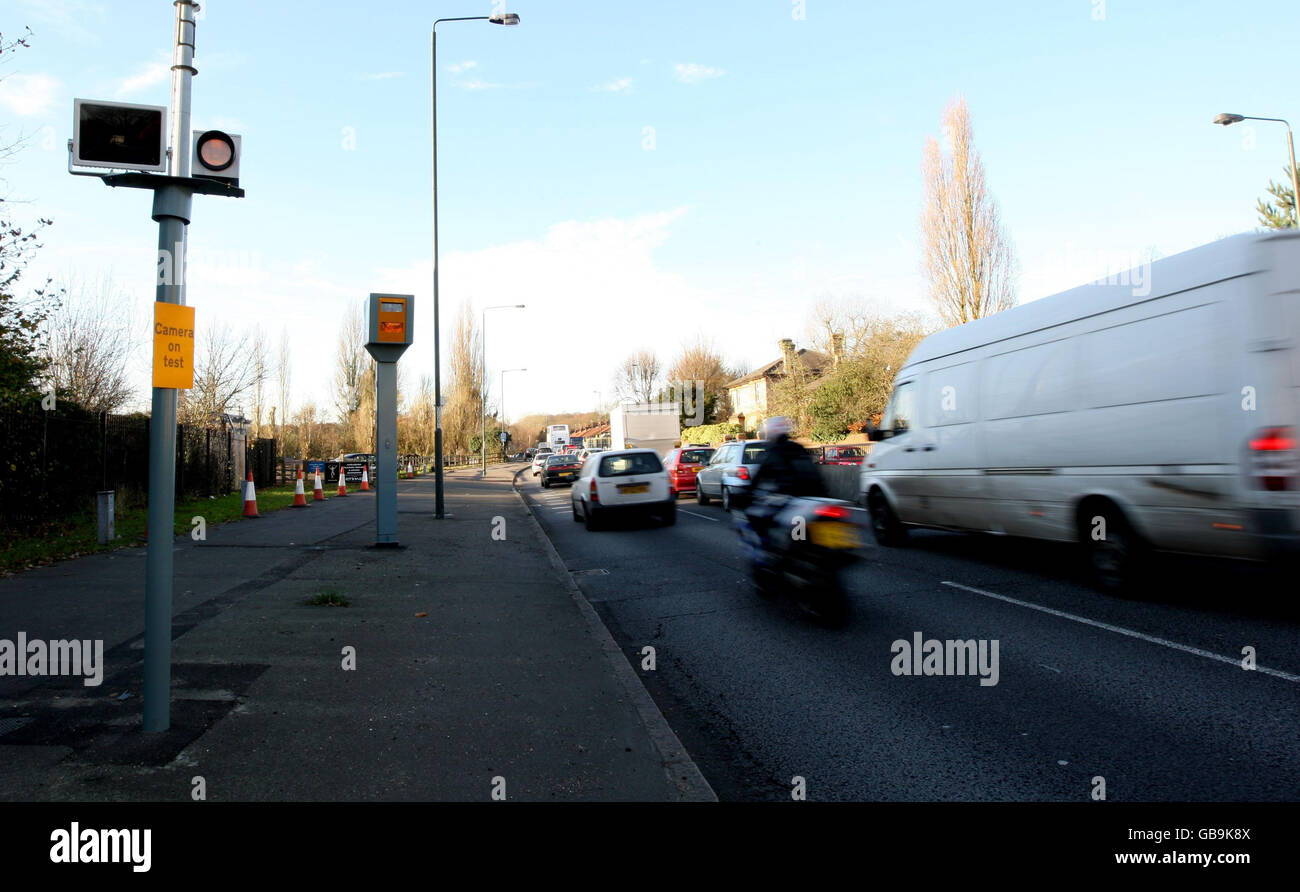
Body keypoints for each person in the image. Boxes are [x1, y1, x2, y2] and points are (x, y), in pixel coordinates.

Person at [742, 417, 826, 562]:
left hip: (791, 499)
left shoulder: (772, 451)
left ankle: (771, 555)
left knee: (758, 518)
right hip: (815, 499)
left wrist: (745, 496)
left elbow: (757, 479)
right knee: (800, 533)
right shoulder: (798, 447)